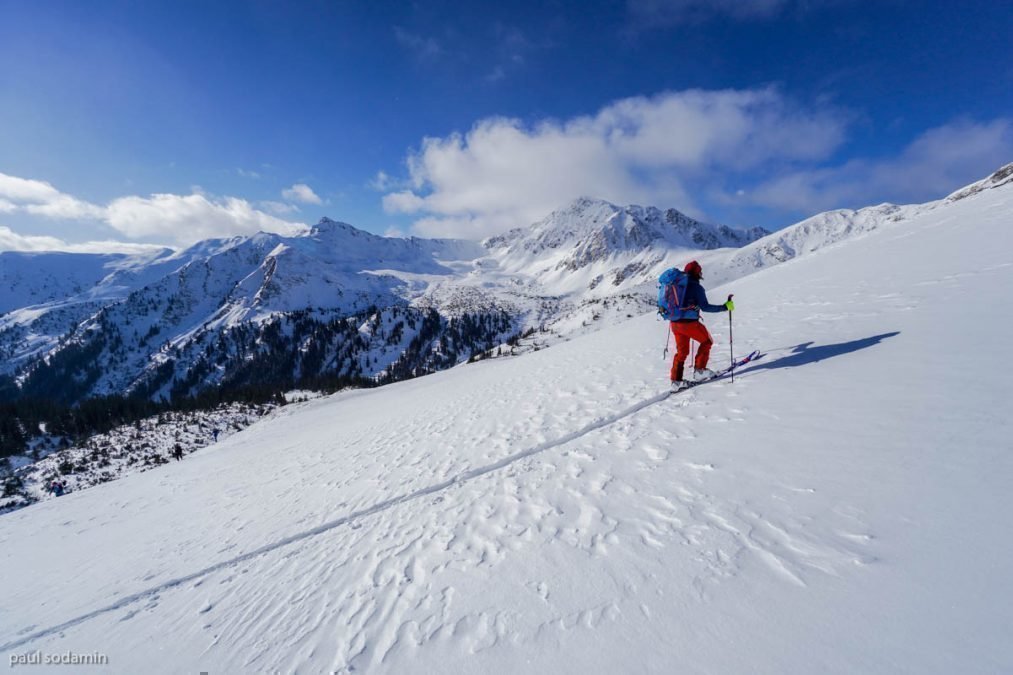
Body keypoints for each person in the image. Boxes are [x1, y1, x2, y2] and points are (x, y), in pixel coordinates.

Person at [669, 260, 735, 390]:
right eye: (700, 272)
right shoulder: (696, 287)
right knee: (707, 342)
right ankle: (699, 371)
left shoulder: (675, 285)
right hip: (689, 324)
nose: (701, 274)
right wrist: (725, 307)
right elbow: (705, 307)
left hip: (674, 323)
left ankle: (676, 382)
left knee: (681, 352)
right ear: (696, 273)